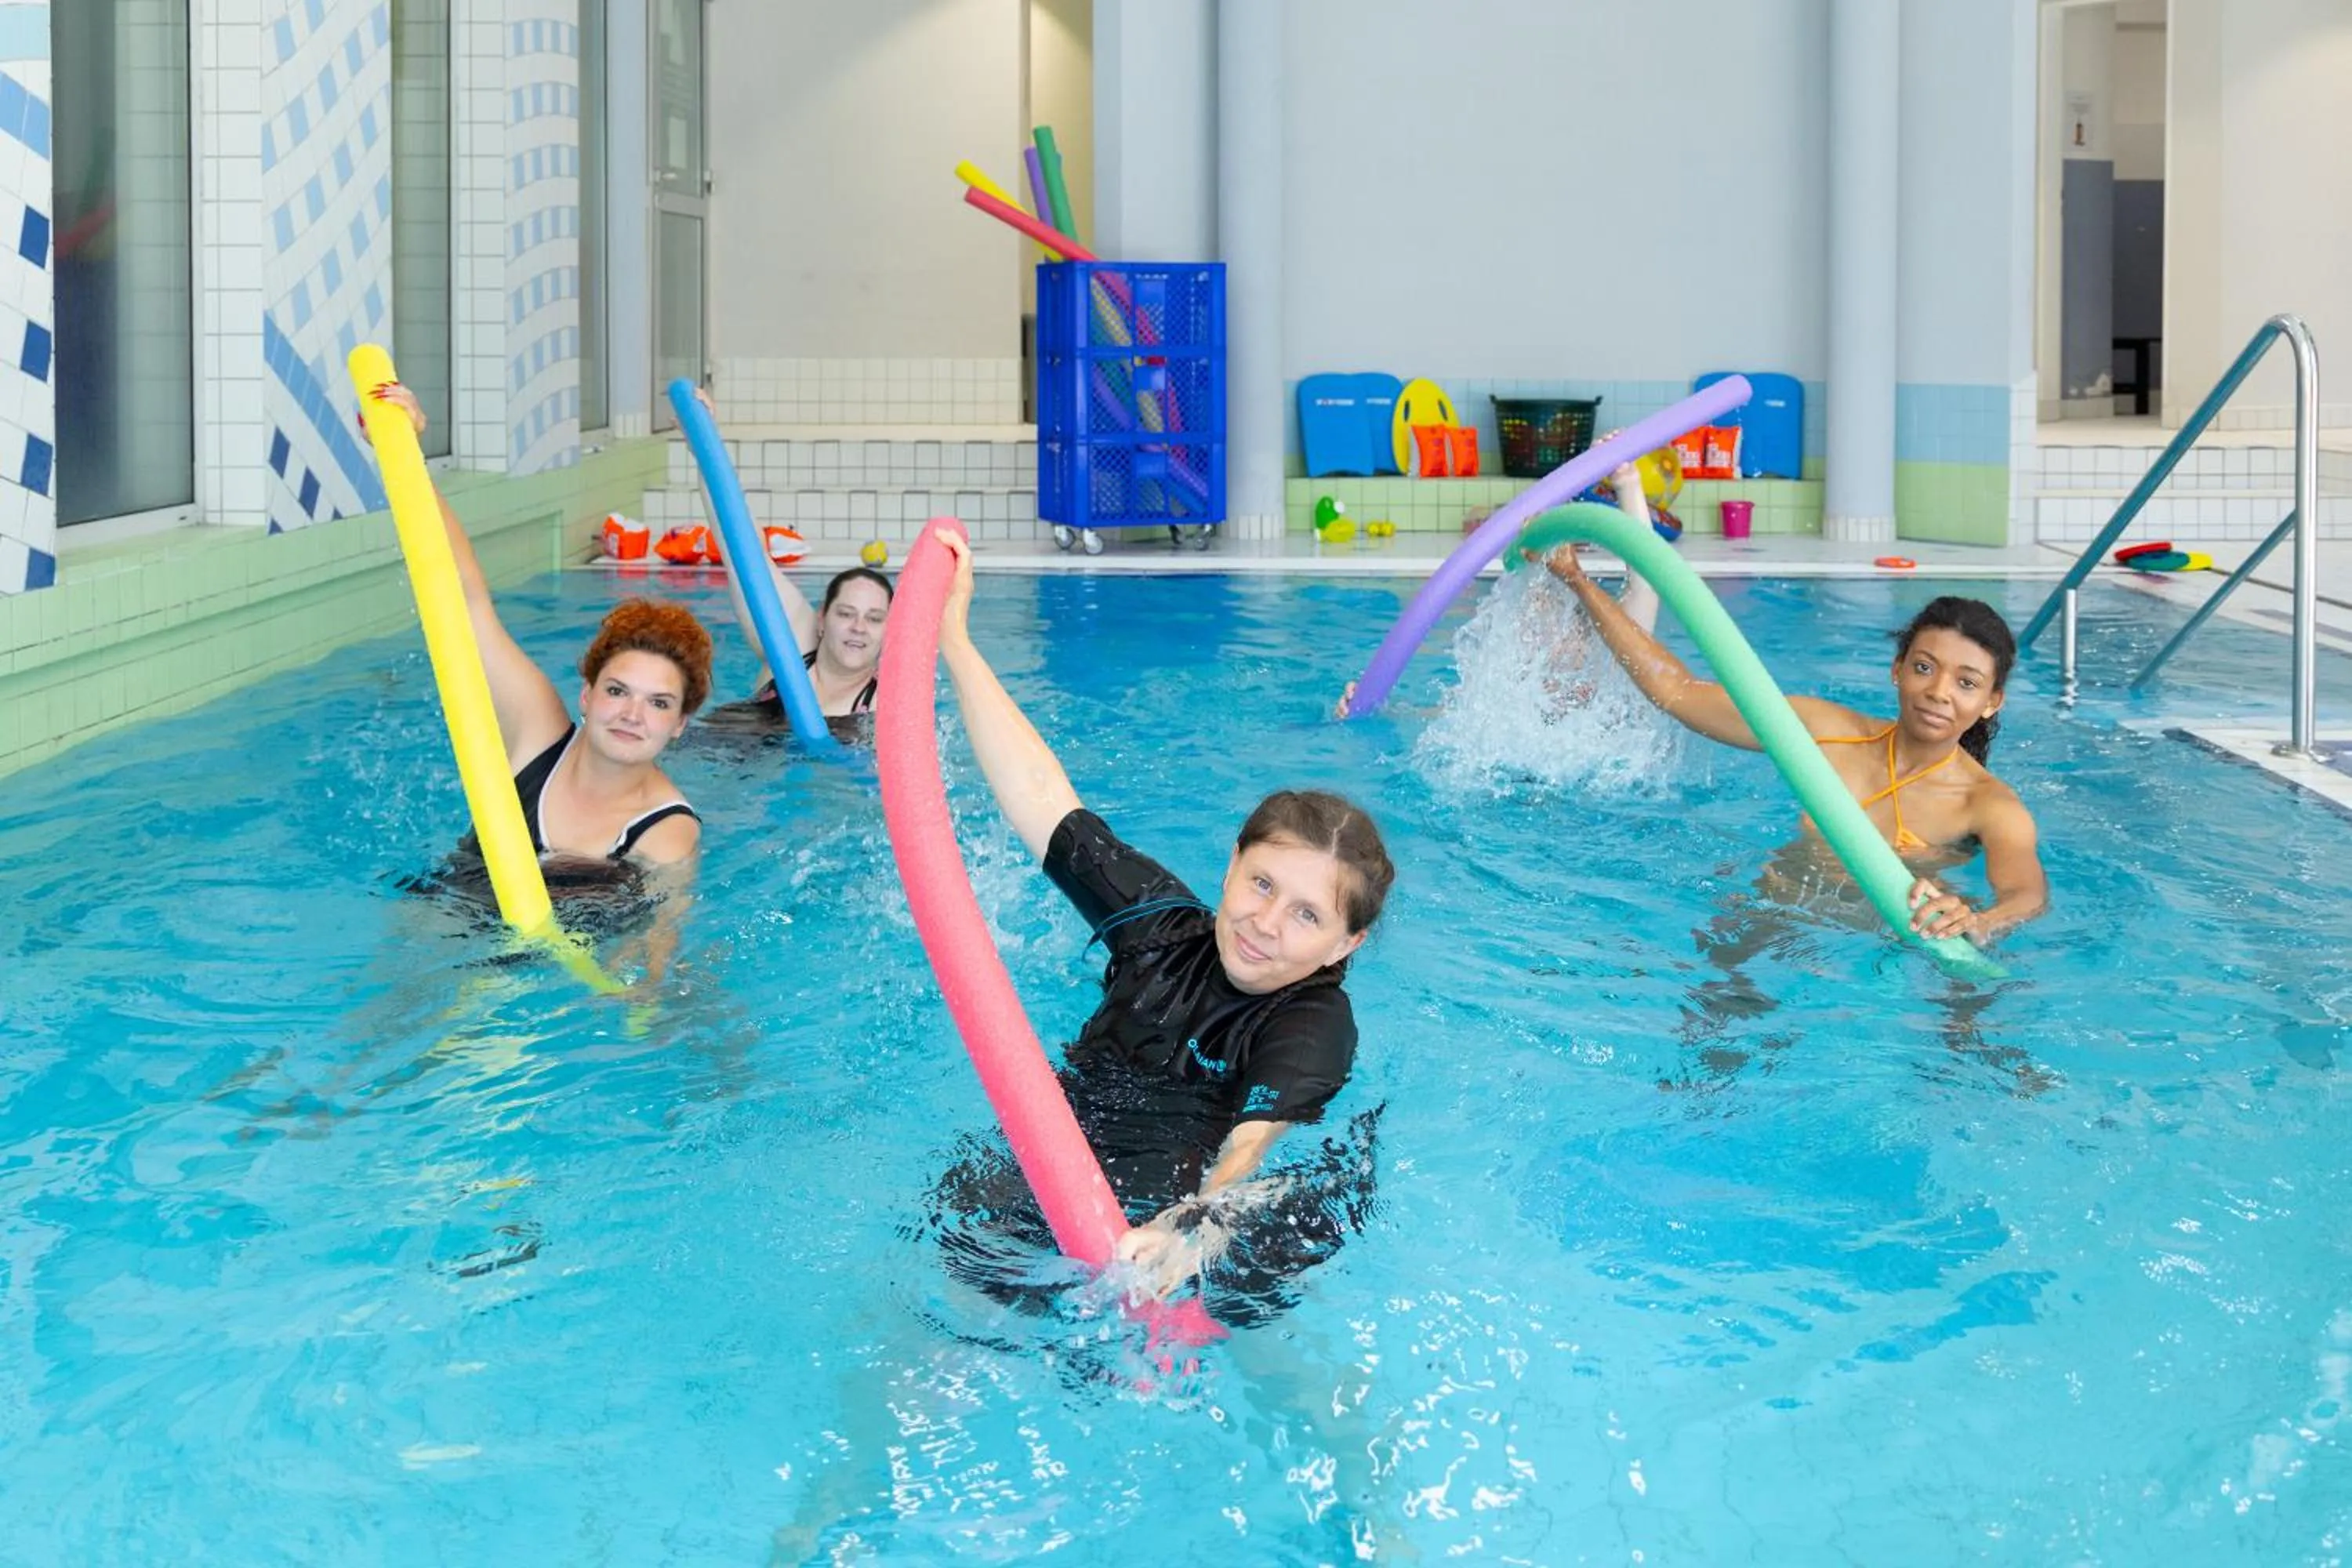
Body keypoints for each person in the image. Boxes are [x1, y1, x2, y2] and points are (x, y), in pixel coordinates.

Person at [928, 526, 1396, 1314]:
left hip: (1177, 1202)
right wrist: (954, 639)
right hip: (1062, 1151)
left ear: (1345, 943)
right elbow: (1045, 800)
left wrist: (1194, 1227)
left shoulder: (1312, 1022)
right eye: (1261, 883)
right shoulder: (1161, 927)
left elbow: (1250, 1145)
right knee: (954, 1251)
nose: (1266, 922)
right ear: (1231, 866)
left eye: (1307, 913)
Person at [1543, 549, 2049, 942]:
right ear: (1897, 670)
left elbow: (2025, 894)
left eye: (1966, 683)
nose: (1939, 691)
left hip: (1893, 943)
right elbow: (1676, 692)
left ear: (1991, 702)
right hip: (1773, 918)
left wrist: (1979, 923)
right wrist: (1578, 580)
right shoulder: (1824, 731)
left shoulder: (1987, 805)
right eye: (1924, 667)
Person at [364, 383, 711, 888]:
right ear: (587, 696)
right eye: (618, 691)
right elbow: (467, 602)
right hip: (443, 914)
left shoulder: (666, 834)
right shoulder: (538, 735)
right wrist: (405, 454)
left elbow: (659, 936)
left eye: (659, 703)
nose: (633, 715)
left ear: (680, 724)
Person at [1333, 445, 1664, 719]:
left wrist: (1628, 484)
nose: (1538, 646)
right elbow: (1424, 719)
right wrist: (1366, 707)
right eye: (1531, 635)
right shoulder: (1506, 708)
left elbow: (1647, 583)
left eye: (1553, 636)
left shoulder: (1612, 672)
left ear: (1586, 640)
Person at [686, 387, 891, 731]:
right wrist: (705, 446)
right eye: (846, 613)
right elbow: (743, 552)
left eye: (874, 619)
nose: (858, 627)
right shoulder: (790, 646)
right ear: (822, 619)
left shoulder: (887, 703)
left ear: (889, 634)